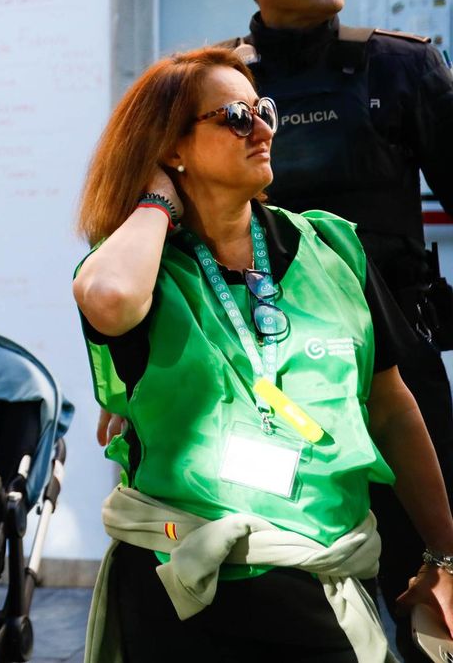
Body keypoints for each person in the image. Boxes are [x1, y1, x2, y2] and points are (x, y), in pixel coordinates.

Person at [74, 47, 453, 661]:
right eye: (234, 117)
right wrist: (152, 205)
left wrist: (445, 551)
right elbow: (109, 299)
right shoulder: (141, 265)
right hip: (183, 587)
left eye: (264, 110)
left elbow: (392, 408)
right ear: (173, 150)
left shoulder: (331, 247)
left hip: (319, 572)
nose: (263, 129)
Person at [224, 0, 453, 650]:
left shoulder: (403, 69)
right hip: (266, 377)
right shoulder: (218, 86)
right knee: (291, 597)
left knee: (433, 588)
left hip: (400, 372)